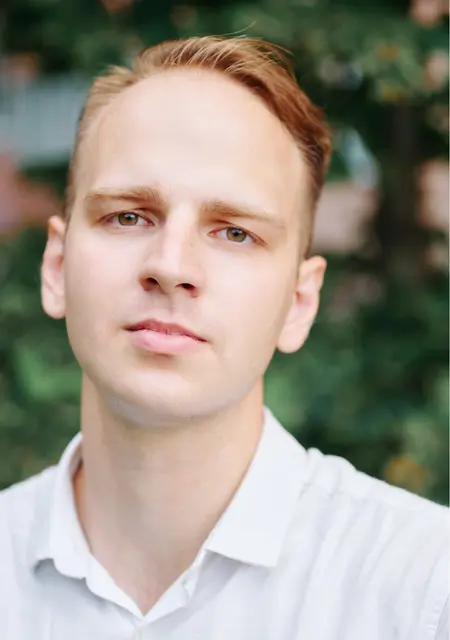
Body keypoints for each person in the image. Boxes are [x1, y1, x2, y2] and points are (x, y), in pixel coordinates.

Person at [0, 35, 448, 640]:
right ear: (57, 267)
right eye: (128, 216)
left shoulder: (424, 591)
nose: (170, 265)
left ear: (299, 303)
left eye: (235, 232)